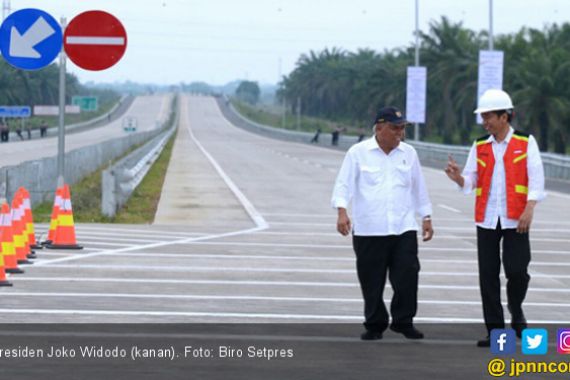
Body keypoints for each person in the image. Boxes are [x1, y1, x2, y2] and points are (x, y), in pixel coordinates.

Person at [444, 89, 546, 347]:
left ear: (505, 116)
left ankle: (516, 307)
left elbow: (536, 178)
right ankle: (495, 332)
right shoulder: (480, 146)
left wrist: (530, 207)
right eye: (483, 117)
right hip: (487, 219)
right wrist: (458, 177)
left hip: (516, 219)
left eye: (489, 117)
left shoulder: (525, 142)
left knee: (518, 272)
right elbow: (470, 181)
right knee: (488, 276)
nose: (485, 122)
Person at [331, 106, 434, 341]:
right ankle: (375, 324)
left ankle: (403, 321)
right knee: (371, 281)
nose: (400, 133)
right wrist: (341, 212)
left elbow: (419, 188)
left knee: (408, 275)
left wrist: (426, 217)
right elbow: (343, 184)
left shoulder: (409, 153)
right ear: (379, 128)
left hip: (403, 227)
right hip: (370, 229)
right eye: (395, 128)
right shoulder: (358, 152)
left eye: (402, 128)